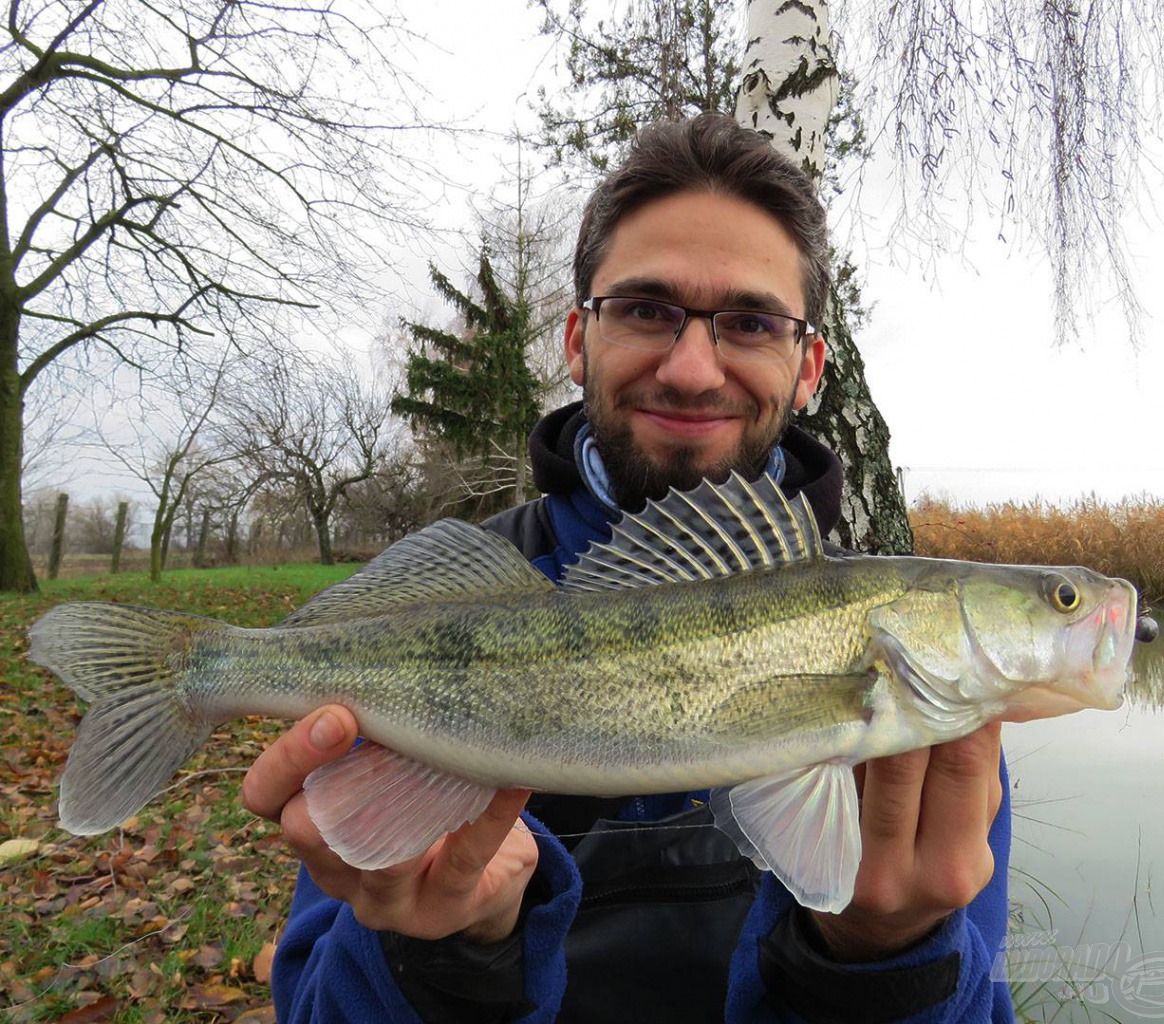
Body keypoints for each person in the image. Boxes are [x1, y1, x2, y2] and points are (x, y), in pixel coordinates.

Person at [242, 113, 1014, 1023]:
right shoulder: (452, 604)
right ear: (576, 340)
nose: (691, 370)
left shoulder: (923, 703)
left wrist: (888, 962)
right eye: (646, 310)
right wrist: (441, 955)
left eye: (751, 322)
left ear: (809, 368)